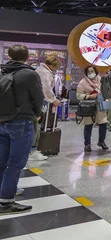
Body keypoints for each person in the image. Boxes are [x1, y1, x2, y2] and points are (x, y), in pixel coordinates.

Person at [0, 45, 44, 215]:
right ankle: (6, 202)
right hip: (21, 121)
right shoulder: (29, 74)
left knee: (2, 161)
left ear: (9, 55)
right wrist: (38, 112)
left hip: (2, 121)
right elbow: (38, 97)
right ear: (27, 57)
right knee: (16, 163)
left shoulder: (3, 71)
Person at [32, 56, 61, 161]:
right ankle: (33, 150)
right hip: (39, 102)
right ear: (52, 65)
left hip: (34, 101)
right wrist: (54, 100)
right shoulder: (45, 73)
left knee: (35, 125)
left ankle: (32, 149)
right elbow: (46, 89)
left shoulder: (39, 70)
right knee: (37, 125)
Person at [77, 65, 109, 153]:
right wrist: (89, 96)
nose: (91, 73)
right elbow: (78, 95)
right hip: (89, 106)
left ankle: (101, 141)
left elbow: (107, 90)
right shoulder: (82, 83)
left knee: (103, 124)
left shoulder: (101, 80)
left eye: (92, 71)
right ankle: (87, 144)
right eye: (89, 72)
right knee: (88, 125)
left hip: (101, 104)